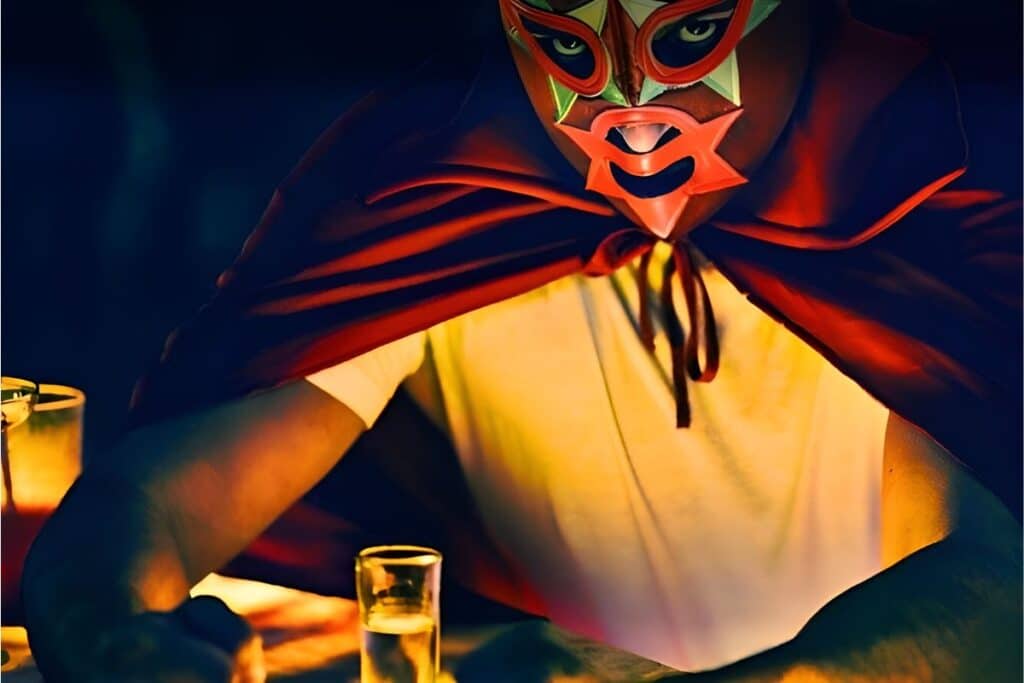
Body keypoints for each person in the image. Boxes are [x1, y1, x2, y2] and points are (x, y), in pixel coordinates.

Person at [23, 0, 1022, 680]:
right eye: (570, 52)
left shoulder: (913, 181)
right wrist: (113, 637)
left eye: (689, 38)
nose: (634, 122)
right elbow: (150, 498)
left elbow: (992, 593)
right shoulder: (441, 187)